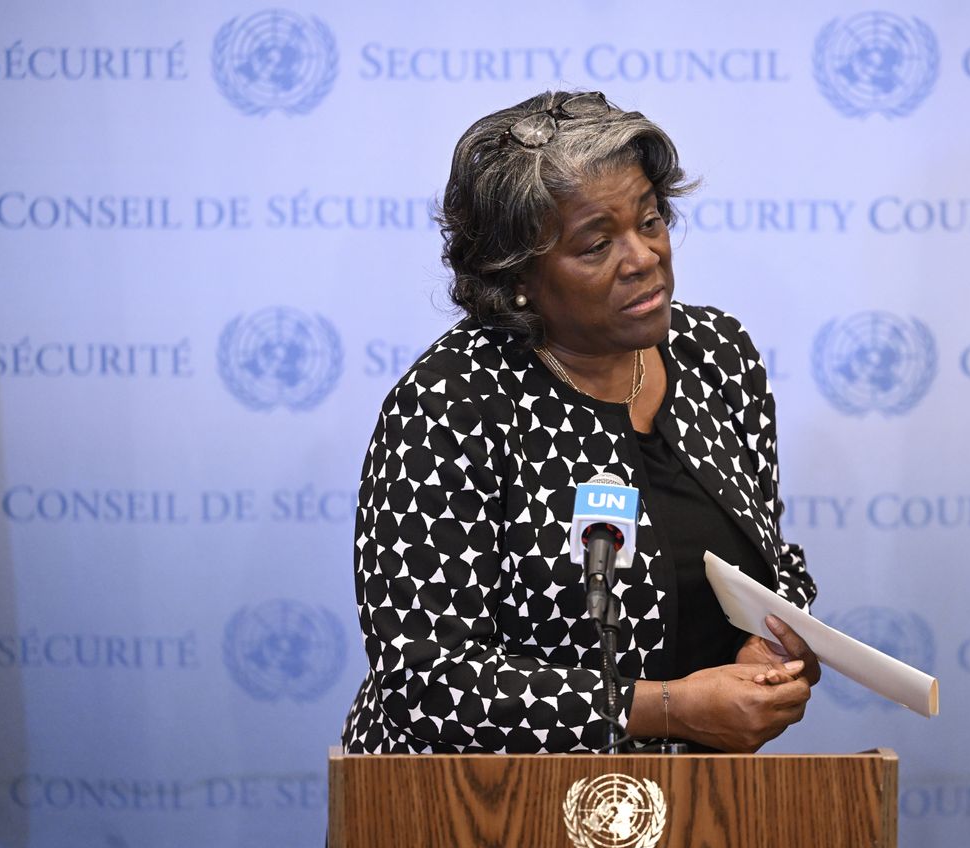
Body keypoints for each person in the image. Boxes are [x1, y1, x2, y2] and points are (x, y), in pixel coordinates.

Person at [341, 91, 820, 755]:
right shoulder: (452, 402)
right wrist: (675, 707)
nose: (643, 256)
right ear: (518, 276)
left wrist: (767, 647)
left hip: (682, 800)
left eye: (650, 221)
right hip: (471, 804)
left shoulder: (718, 356)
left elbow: (770, 562)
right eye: (597, 244)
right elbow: (429, 680)